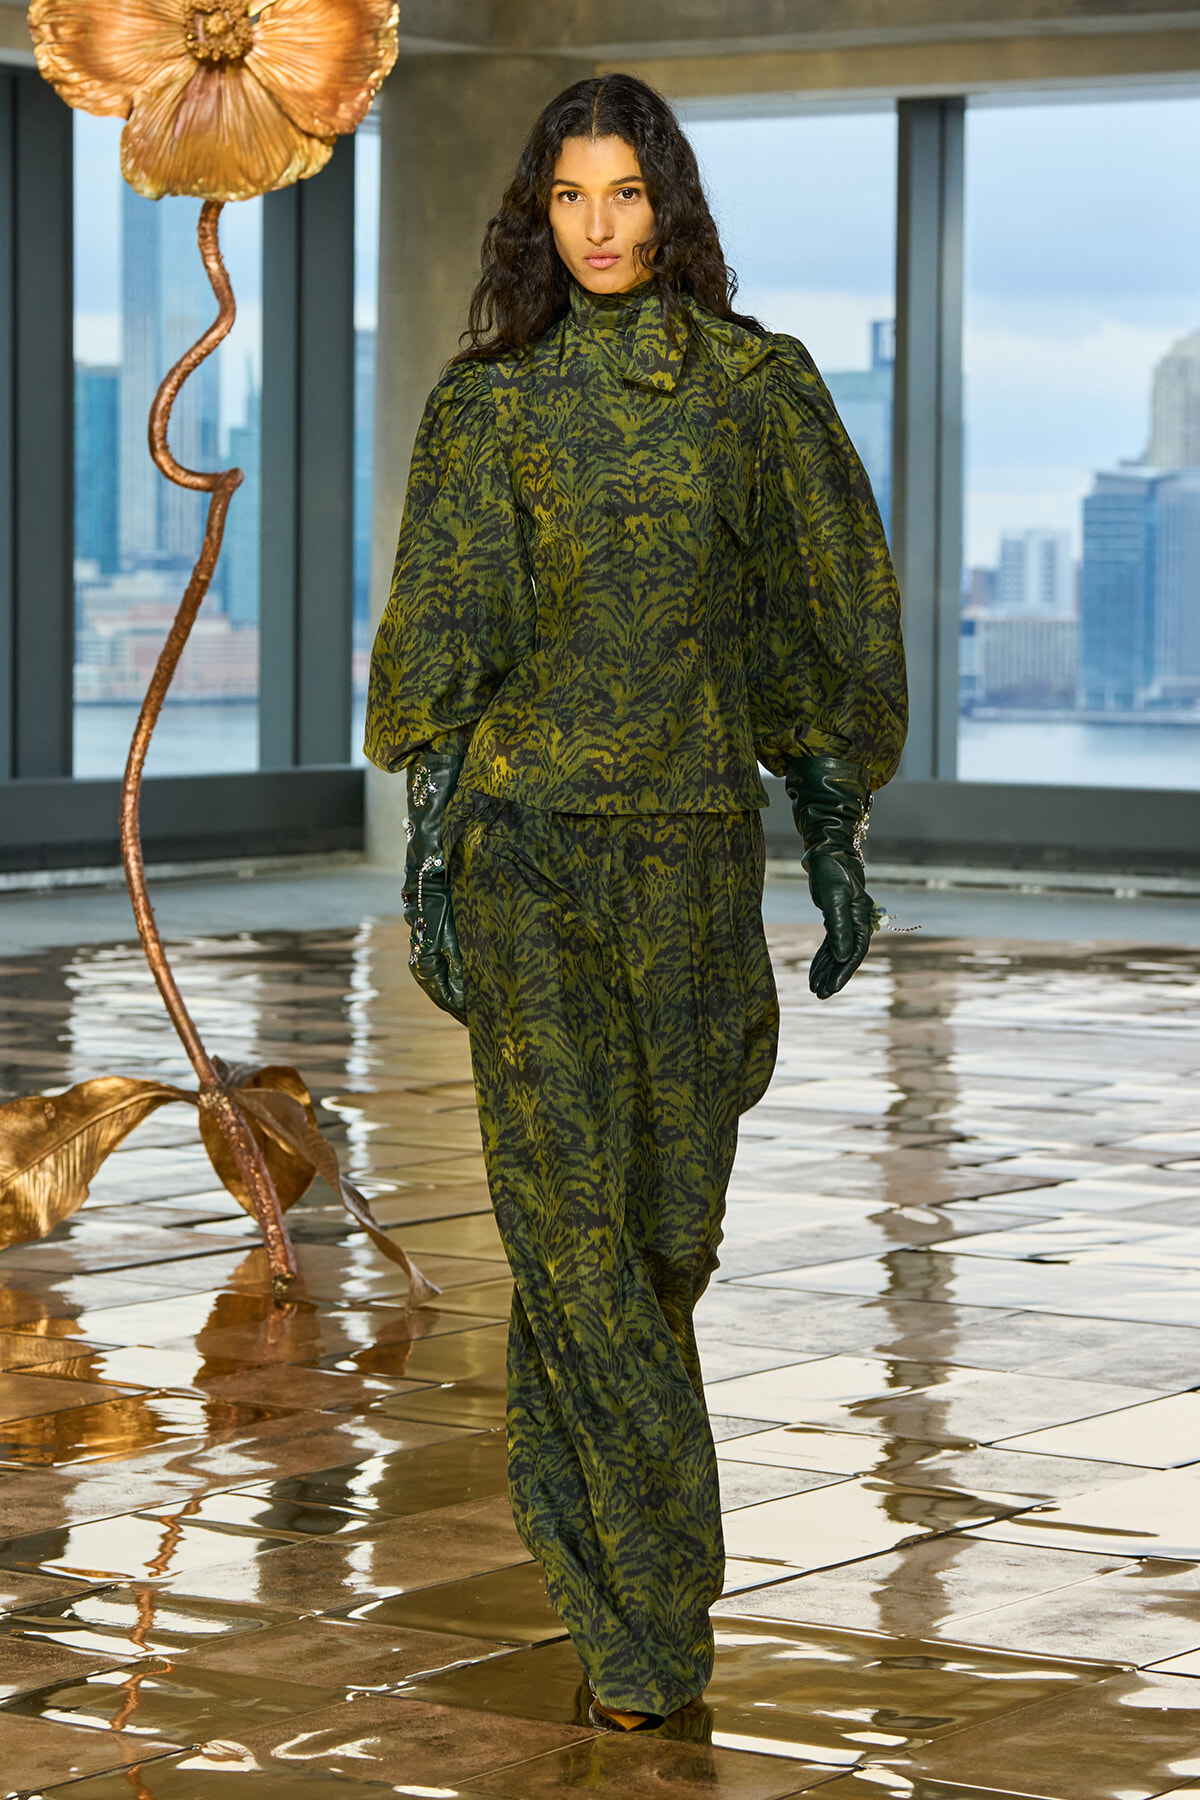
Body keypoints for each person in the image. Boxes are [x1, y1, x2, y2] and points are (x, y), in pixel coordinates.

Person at [365, 73, 906, 1730]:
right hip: (530, 857)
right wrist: (432, 851)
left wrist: (830, 832)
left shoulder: (758, 393)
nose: (599, 227)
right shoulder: (492, 408)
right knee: (571, 1237)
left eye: (627, 195)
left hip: (688, 859)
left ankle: (602, 1546)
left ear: (668, 206)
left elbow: (826, 617)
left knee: (661, 1240)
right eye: (571, 198)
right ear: (540, 214)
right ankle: (652, 1613)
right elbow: (446, 643)